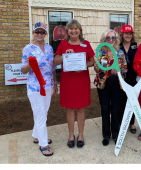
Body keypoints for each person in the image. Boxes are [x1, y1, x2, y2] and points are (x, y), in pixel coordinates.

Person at [53, 19, 95, 148]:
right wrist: (64, 55)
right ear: (68, 31)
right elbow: (55, 62)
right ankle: (71, 135)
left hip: (81, 80)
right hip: (68, 81)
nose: (73, 31)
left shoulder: (86, 44)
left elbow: (92, 61)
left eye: (76, 28)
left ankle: (80, 135)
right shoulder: (63, 44)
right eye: (71, 29)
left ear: (80, 31)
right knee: (70, 109)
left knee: (81, 108)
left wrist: (82, 66)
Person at [21, 22, 58, 156]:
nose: (39, 34)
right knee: (40, 114)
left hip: (48, 85)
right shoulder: (28, 49)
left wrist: (55, 83)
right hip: (35, 87)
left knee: (44, 112)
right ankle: (43, 144)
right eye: (37, 32)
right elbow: (24, 70)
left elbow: (52, 67)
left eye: (42, 32)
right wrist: (31, 64)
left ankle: (36, 135)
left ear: (45, 34)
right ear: (33, 33)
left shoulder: (49, 48)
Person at [94, 29, 127, 146]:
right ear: (104, 39)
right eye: (108, 38)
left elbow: (125, 69)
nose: (111, 40)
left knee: (116, 109)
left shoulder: (120, 53)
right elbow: (96, 70)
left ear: (116, 39)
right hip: (103, 84)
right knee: (105, 109)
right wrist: (98, 66)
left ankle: (116, 134)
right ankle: (106, 135)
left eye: (113, 38)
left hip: (117, 84)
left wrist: (118, 71)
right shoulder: (100, 53)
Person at [119, 25, 138, 134]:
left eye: (130, 33)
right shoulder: (118, 46)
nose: (128, 35)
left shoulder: (136, 46)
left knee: (132, 101)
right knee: (121, 101)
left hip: (133, 77)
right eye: (126, 33)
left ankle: (131, 123)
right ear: (122, 34)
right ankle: (122, 122)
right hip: (121, 79)